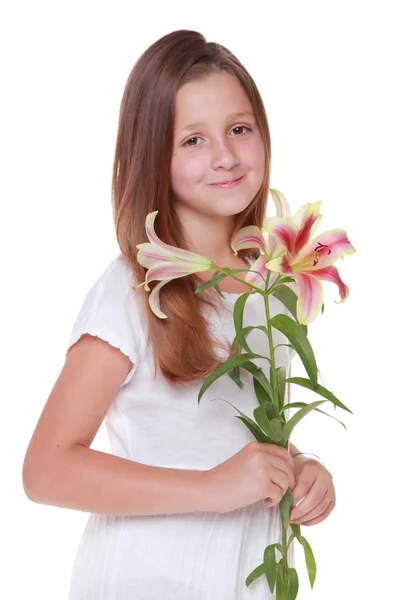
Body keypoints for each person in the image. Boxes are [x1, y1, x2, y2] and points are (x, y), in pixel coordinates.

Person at [22, 29, 336, 600]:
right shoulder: (132, 288)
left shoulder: (271, 285)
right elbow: (46, 471)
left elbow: (223, 432)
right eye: (192, 140)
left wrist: (299, 466)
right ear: (152, 157)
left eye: (239, 129)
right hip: (149, 580)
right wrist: (213, 488)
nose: (224, 155)